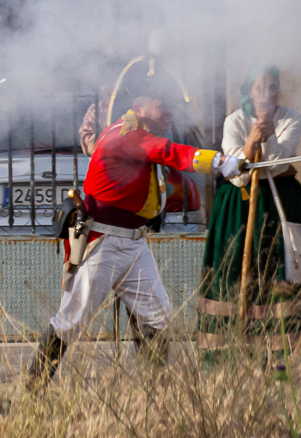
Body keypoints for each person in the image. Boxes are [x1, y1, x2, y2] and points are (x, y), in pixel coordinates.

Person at [29, 95, 242, 382]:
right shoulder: (127, 133)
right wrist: (217, 160)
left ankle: (151, 391)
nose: (169, 111)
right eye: (161, 104)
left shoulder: (133, 133)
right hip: (103, 241)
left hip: (133, 242)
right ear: (139, 109)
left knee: (157, 315)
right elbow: (166, 151)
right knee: (72, 321)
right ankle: (32, 387)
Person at [198, 68, 301, 346]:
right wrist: (251, 139)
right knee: (235, 264)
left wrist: (269, 133)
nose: (266, 93)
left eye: (272, 87)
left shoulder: (292, 118)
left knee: (279, 263)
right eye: (259, 88)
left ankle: (282, 348)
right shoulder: (233, 120)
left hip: (279, 200)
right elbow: (236, 171)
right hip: (239, 203)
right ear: (249, 91)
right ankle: (229, 344)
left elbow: (277, 163)